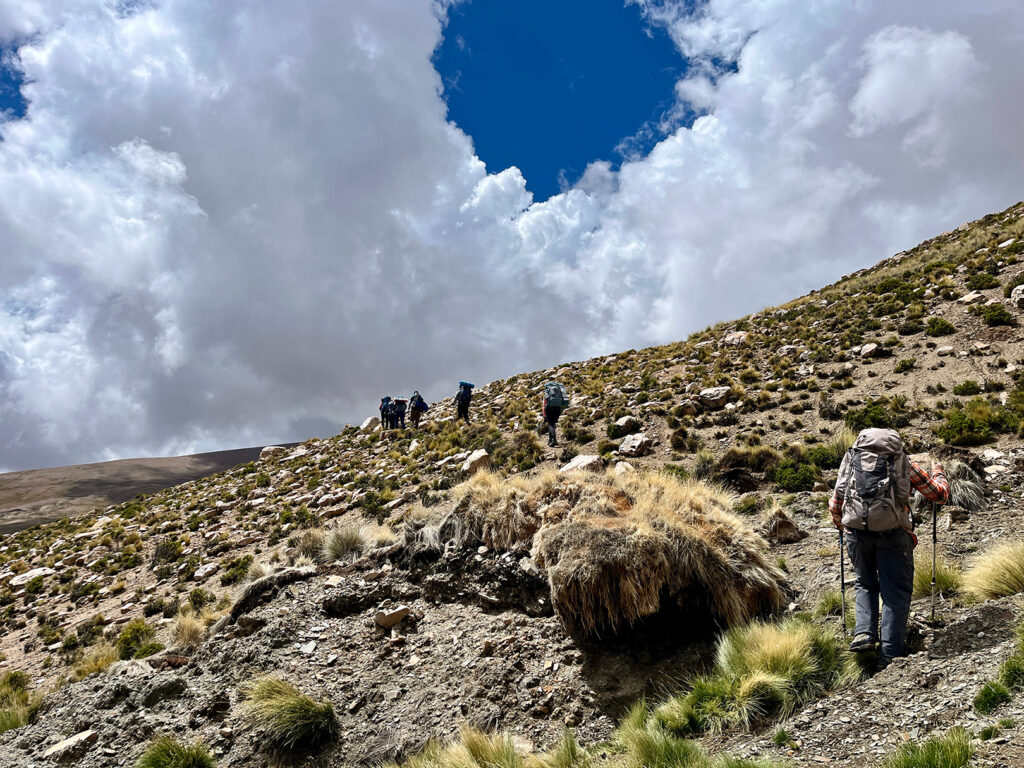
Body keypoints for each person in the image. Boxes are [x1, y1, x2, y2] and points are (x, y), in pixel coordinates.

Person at [830, 428, 949, 669]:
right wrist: (939, 473)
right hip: (893, 536)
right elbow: (938, 495)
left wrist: (841, 526)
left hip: (856, 533)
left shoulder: (852, 459)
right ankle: (891, 659)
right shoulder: (904, 463)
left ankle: (864, 634)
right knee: (895, 593)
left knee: (864, 583)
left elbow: (836, 499)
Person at [541, 383, 566, 447]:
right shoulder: (558, 392)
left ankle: (554, 440)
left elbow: (544, 404)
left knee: (550, 424)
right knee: (552, 424)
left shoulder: (547, 392)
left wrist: (544, 415)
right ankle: (550, 440)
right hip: (558, 408)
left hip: (549, 408)